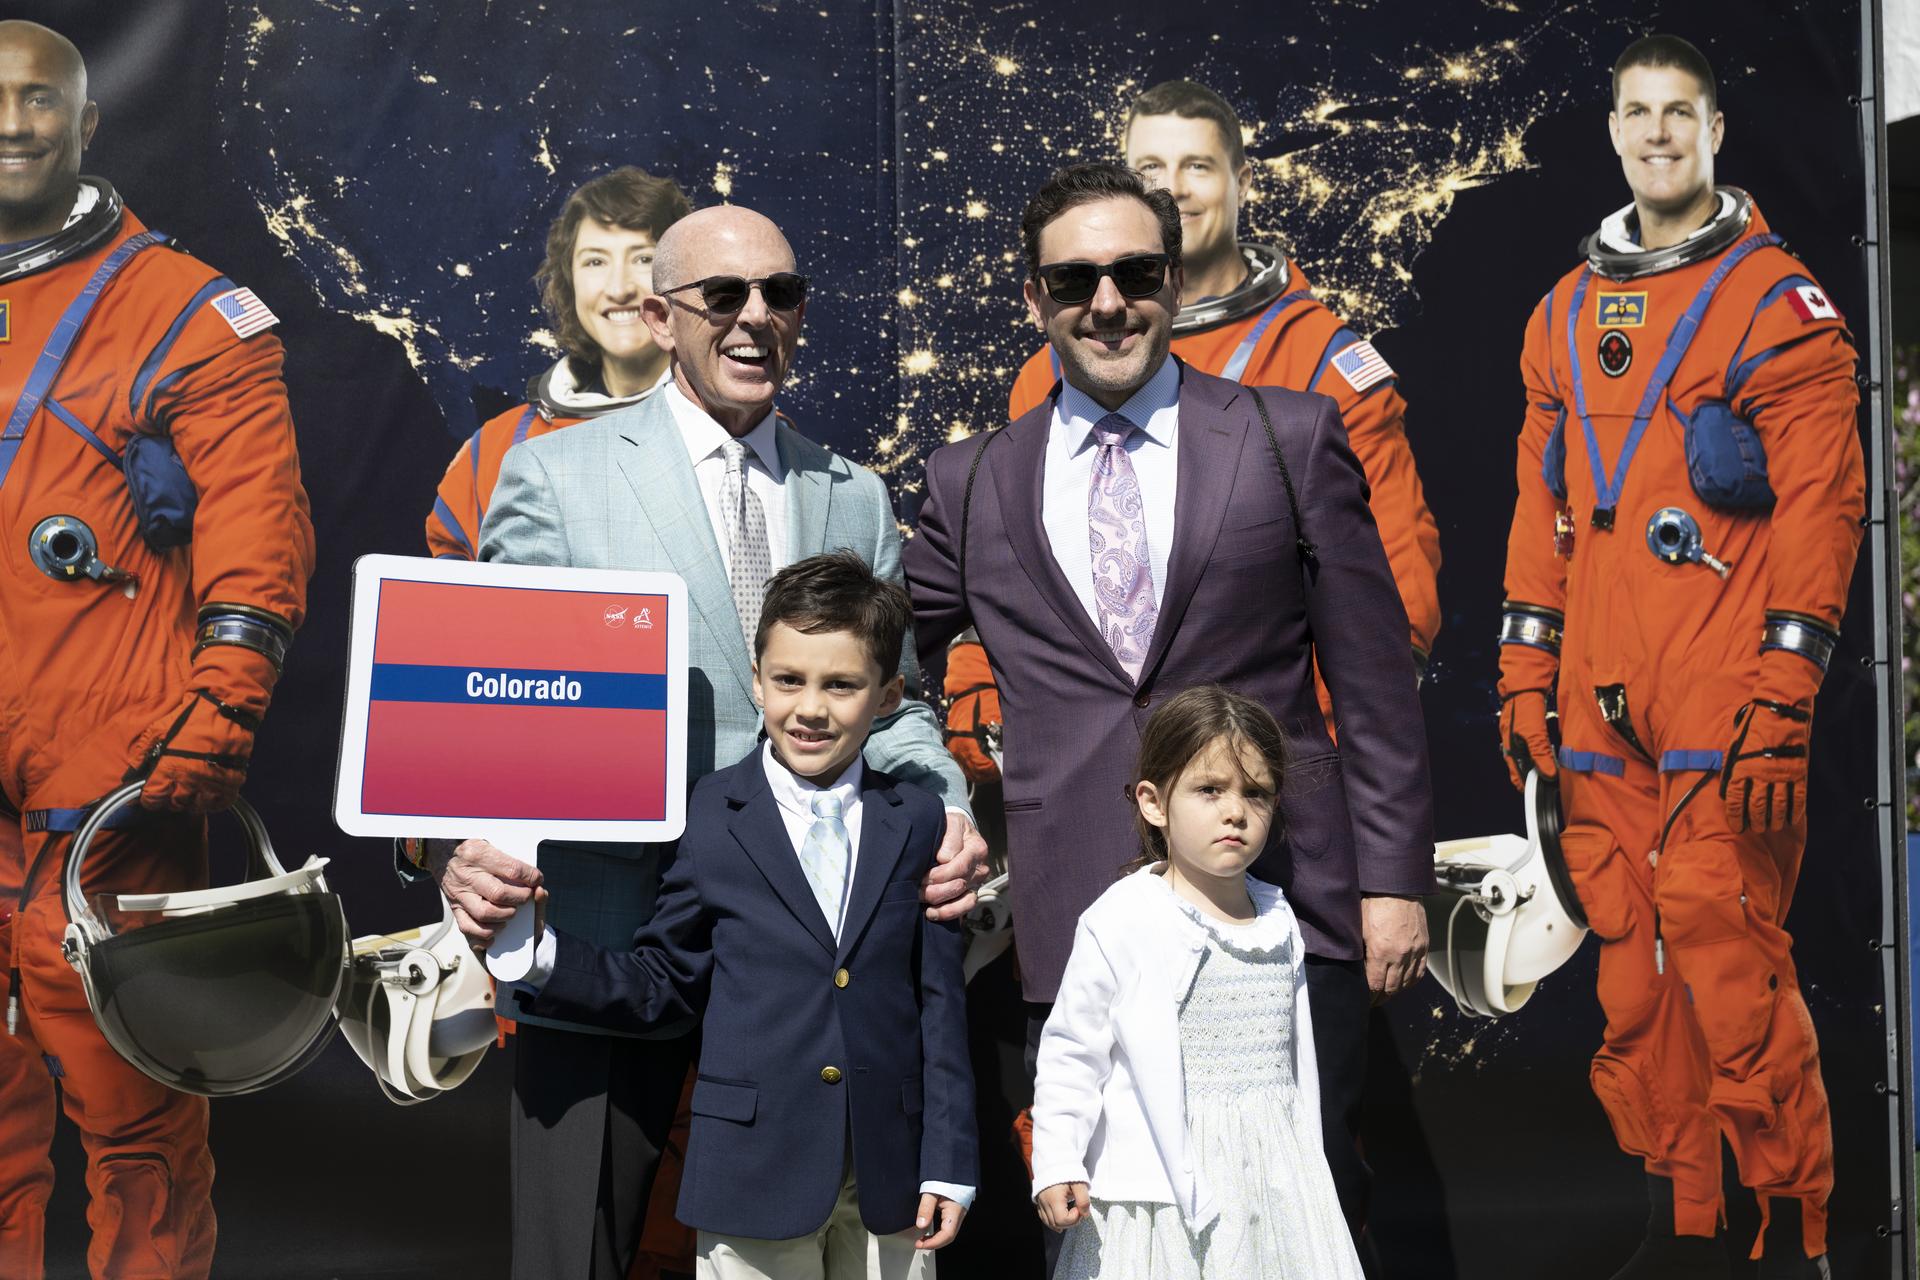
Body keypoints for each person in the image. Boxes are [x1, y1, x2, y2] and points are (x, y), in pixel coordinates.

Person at [438, 203, 985, 1280]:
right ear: (658, 315)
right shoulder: (555, 474)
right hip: (608, 924)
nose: (754, 318)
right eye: (722, 296)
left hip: (805, 952)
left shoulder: (855, 494)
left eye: (780, 294)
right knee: (578, 1255)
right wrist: (463, 839)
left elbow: (905, 702)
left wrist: (949, 804)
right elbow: (490, 692)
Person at [902, 161, 1435, 1259]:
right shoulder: (972, 480)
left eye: (1135, 271)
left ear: (1176, 282)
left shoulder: (1288, 437)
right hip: (1079, 916)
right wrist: (931, 788)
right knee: (1110, 1237)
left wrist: (1390, 880)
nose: (1108, 301)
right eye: (1076, 277)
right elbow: (882, 662)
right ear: (1034, 298)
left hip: (1282, 907)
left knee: (1289, 1221)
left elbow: (1374, 677)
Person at [1496, 34, 1860, 1279]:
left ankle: (1790, 1231)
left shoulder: (1777, 301)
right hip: (1602, 687)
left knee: (1724, 951)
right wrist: (1523, 670)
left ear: (1715, 134)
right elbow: (1543, 511)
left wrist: (1786, 689)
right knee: (1633, 974)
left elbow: (1820, 506)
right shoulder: (1563, 311)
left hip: (1719, 682)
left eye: (1680, 114)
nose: (1658, 134)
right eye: (1637, 113)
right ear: (1612, 132)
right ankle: (1682, 1223)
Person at [0, 19, 315, 1280]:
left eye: (40, 100)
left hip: (108, 773)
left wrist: (224, 704)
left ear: (87, 125)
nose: (13, 121)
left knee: (136, 1124)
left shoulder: (186, 312)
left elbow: (258, 522)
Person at [515, 551, 979, 1279]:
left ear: (888, 696)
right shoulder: (704, 814)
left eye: (842, 685)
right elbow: (664, 980)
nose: (812, 708)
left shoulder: (919, 820)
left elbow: (939, 1008)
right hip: (753, 1170)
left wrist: (950, 1162)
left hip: (892, 1176)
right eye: (789, 680)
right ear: (757, 680)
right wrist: (535, 952)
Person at [999, 78, 1440, 680]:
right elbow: (1010, 571)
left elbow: (1389, 585)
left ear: (1244, 182)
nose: (1173, 188)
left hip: (1262, 740)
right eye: (1151, 166)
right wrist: (989, 714)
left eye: (1198, 166)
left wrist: (1302, 754)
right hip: (1092, 729)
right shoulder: (1048, 373)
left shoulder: (1319, 362)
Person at [1032, 685, 1362, 1280]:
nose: (1234, 811)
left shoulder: (1278, 917)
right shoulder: (1125, 917)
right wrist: (1058, 1162)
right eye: (1209, 790)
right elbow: (1072, 1053)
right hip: (1162, 1192)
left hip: (1276, 1183)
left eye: (1255, 794)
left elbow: (1293, 1065)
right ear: (1155, 803)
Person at [424, 166, 690, 561]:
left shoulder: (739, 437)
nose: (619, 289)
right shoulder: (496, 448)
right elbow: (454, 596)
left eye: (644, 258)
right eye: (595, 262)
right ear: (569, 281)